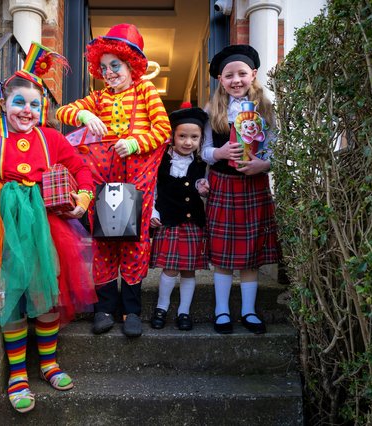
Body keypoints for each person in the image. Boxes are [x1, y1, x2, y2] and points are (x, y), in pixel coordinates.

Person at [0, 42, 96, 413]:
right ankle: (18, 373)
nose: (28, 111)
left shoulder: (50, 138)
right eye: (20, 102)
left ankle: (49, 364)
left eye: (35, 105)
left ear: (44, 109)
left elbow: (82, 169)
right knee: (12, 298)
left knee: (47, 293)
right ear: (3, 102)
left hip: (45, 226)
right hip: (3, 225)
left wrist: (82, 200)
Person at [56, 23, 171, 337]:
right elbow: (63, 111)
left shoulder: (146, 91)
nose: (108, 72)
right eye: (103, 66)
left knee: (134, 243)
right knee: (104, 242)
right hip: (102, 181)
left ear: (131, 65)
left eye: (115, 65)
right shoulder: (97, 98)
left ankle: (131, 311)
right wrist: (82, 115)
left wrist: (135, 142)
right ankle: (104, 308)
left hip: (138, 182)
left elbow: (163, 132)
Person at [201, 44, 281, 335]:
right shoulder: (212, 110)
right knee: (222, 253)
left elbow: (276, 149)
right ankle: (222, 310)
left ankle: (248, 311)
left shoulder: (267, 109)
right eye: (229, 75)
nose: (236, 80)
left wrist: (265, 165)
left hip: (253, 185)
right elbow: (203, 151)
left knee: (251, 253)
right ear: (220, 80)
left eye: (242, 74)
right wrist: (219, 154)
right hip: (223, 185)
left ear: (254, 75)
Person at [149, 104, 210, 331]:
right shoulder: (162, 161)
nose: (188, 142)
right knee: (170, 268)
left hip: (193, 223)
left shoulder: (202, 163)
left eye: (194, 137)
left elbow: (202, 184)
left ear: (201, 138)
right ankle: (161, 307)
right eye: (182, 136)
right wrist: (153, 212)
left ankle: (184, 311)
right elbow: (153, 189)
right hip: (169, 221)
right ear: (173, 136)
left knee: (189, 269)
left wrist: (204, 187)